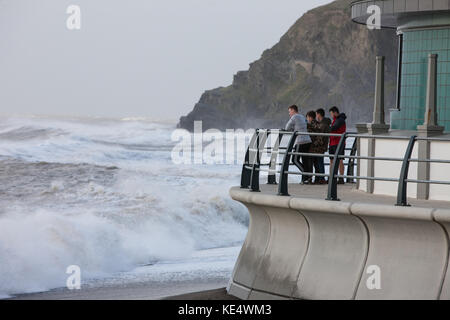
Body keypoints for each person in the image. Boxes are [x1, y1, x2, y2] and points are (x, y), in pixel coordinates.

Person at [285, 105, 312, 184]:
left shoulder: (294, 117)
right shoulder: (302, 116)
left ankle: (306, 174)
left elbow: (287, 128)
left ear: (293, 110)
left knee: (294, 160)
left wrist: (293, 129)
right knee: (305, 161)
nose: (289, 113)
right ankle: (305, 180)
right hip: (308, 141)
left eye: (289, 111)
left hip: (300, 141)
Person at [306, 110, 326, 184]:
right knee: (317, 164)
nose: (307, 119)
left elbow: (310, 137)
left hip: (313, 147)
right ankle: (318, 179)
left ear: (310, 117)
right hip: (320, 147)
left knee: (311, 164)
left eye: (307, 117)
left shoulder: (310, 125)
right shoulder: (319, 124)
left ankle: (310, 179)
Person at [329, 106, 347, 184]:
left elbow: (334, 128)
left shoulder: (340, 120)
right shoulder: (336, 120)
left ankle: (341, 177)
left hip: (339, 142)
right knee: (332, 160)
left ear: (335, 112)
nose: (331, 115)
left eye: (332, 113)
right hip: (332, 142)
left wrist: (327, 128)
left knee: (340, 160)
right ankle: (332, 177)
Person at [316, 108, 332, 183]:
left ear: (319, 114)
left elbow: (320, 136)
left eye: (316, 114)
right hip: (324, 145)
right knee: (320, 161)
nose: (316, 116)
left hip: (320, 146)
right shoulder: (326, 123)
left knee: (320, 161)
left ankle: (321, 178)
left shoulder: (323, 124)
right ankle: (321, 177)